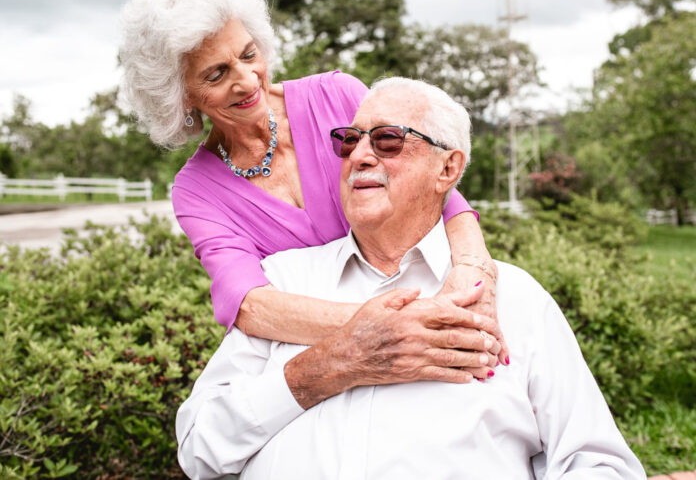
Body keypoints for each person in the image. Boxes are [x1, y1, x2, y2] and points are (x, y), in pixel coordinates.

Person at [175, 77, 646, 479]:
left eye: (387, 140)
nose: (358, 155)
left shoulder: (512, 300)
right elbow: (200, 448)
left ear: (448, 168)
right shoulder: (283, 282)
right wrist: (327, 366)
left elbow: (597, 463)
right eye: (349, 140)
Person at [118, 0, 507, 371]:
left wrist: (474, 271)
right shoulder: (197, 191)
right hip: (320, 360)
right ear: (181, 96)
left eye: (249, 55)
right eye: (217, 74)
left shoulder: (337, 97)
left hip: (427, 300)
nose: (248, 81)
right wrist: (387, 329)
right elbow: (249, 304)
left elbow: (438, 185)